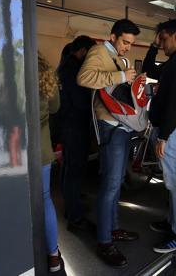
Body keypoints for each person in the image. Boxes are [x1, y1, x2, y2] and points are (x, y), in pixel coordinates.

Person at [77, 19, 141, 268]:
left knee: (116, 185)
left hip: (123, 126)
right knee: (110, 185)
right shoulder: (99, 51)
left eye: (131, 43)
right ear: (113, 36)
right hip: (109, 127)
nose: (127, 47)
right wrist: (121, 75)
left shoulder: (119, 57)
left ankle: (112, 229)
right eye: (125, 41)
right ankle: (104, 241)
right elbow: (84, 77)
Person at [144, 19, 176, 253]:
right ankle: (173, 223)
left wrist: (163, 136)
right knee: (173, 181)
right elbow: (149, 70)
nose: (162, 44)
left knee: (175, 184)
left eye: (163, 39)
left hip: (172, 131)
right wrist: (153, 46)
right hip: (170, 130)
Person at [57, 35, 96, 232]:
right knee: (75, 171)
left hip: (65, 125)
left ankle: (70, 207)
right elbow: (81, 103)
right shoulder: (75, 71)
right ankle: (75, 217)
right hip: (75, 126)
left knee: (68, 168)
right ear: (82, 51)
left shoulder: (63, 67)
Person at [38, 54, 63, 272]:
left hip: (12, 153)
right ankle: (53, 257)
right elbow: (55, 108)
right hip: (42, 150)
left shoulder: (2, 72)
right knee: (45, 199)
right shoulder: (44, 73)